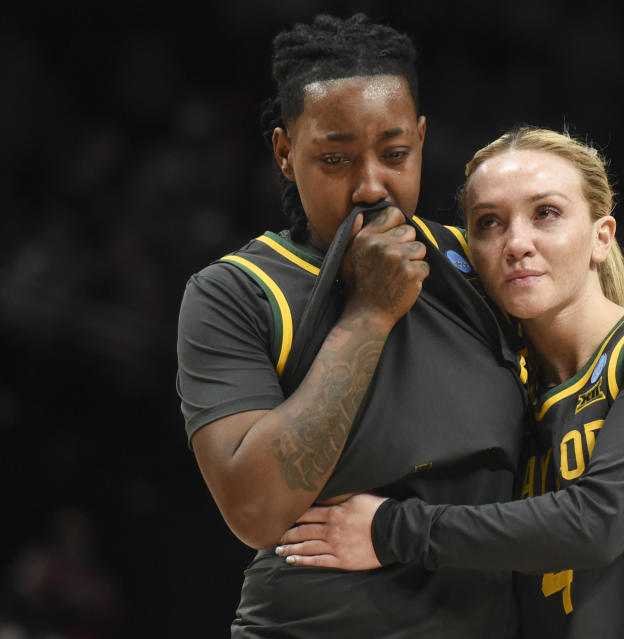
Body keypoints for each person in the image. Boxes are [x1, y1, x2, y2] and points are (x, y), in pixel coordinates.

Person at [275, 127, 624, 638]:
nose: (516, 243)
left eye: (546, 213)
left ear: (601, 236)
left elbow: (596, 524)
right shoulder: (510, 412)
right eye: (489, 223)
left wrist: (386, 530)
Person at [175, 14, 529, 638]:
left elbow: (593, 427)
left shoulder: (481, 269)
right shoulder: (234, 293)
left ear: (422, 140)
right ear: (285, 154)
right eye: (335, 158)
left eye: (395, 155)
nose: (371, 185)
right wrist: (369, 312)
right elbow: (256, 510)